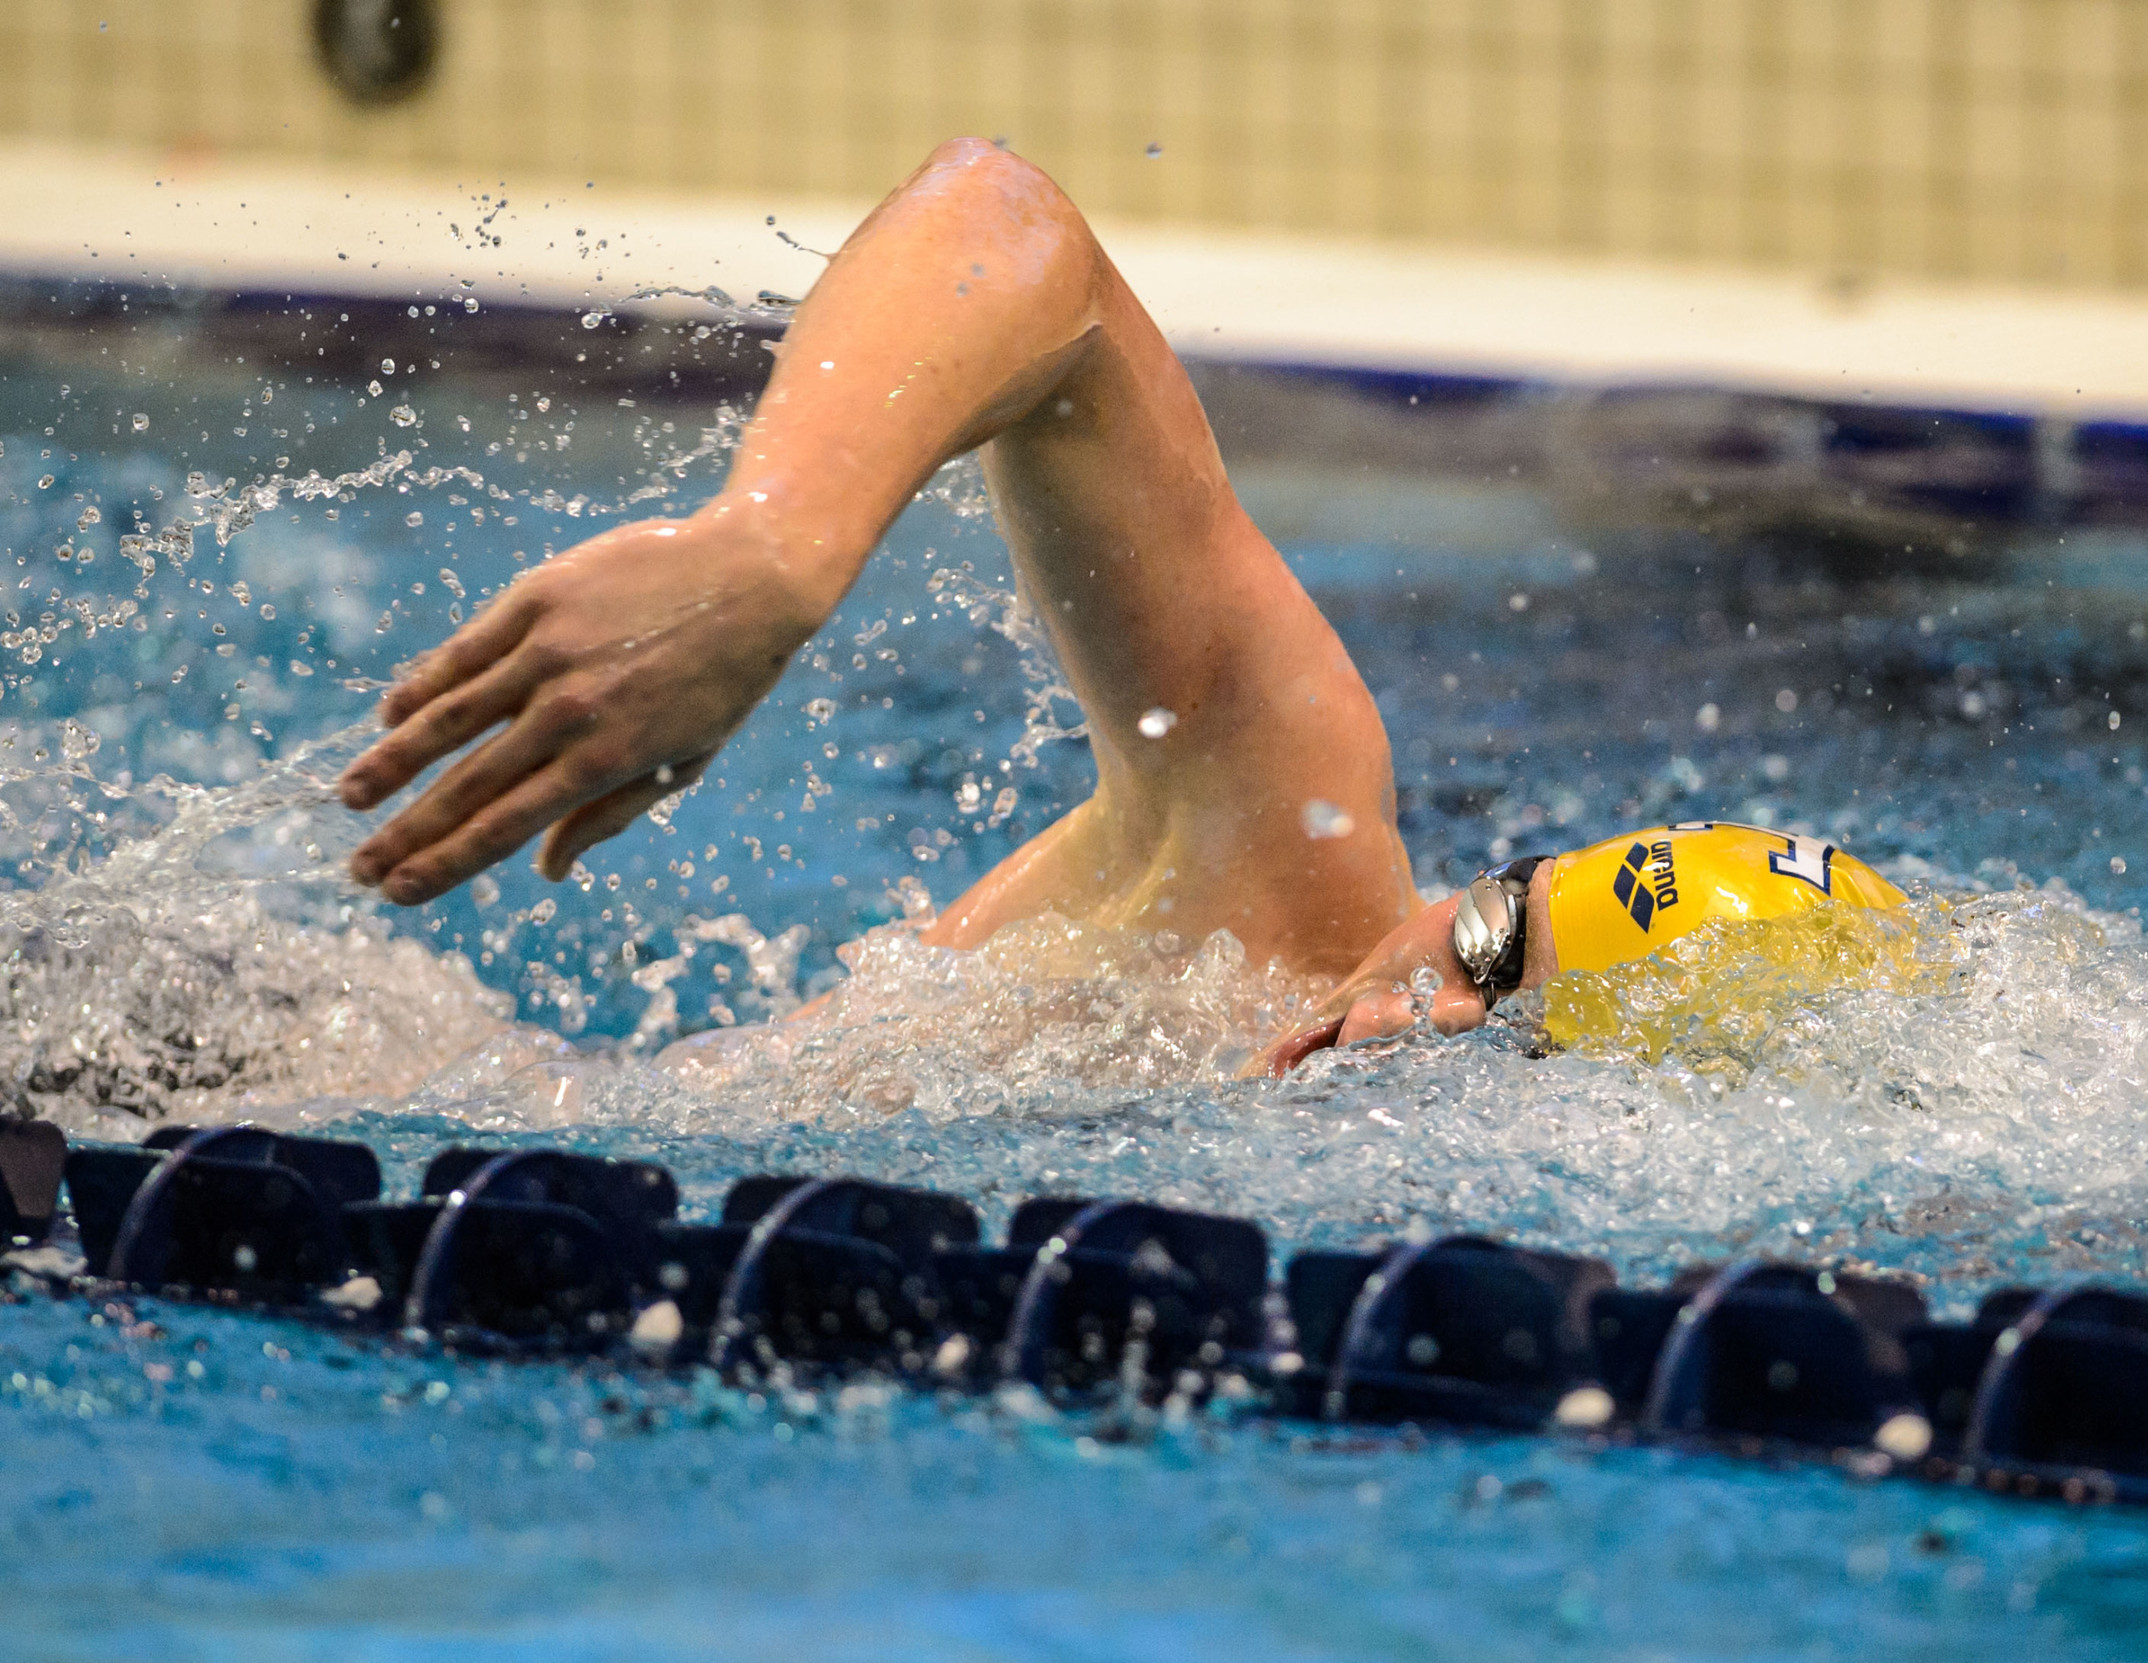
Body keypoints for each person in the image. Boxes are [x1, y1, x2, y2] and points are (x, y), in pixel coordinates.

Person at [336, 139, 1901, 1076]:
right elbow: (1015, 231)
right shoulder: (1283, 891)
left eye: (1510, 1030)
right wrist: (772, 548)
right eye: (1485, 934)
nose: (1415, 1008)